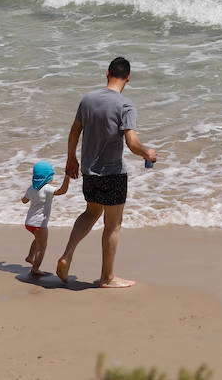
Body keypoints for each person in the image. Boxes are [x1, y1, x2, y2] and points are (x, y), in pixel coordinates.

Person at [55, 57, 157, 289]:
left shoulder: (88, 99)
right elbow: (132, 143)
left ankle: (67, 255)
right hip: (113, 174)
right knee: (113, 225)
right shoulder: (125, 105)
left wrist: (71, 159)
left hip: (89, 171)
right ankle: (107, 278)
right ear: (128, 78)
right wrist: (147, 153)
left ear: (107, 73)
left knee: (90, 213)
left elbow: (74, 132)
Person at [21, 159, 70, 277]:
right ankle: (35, 269)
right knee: (42, 247)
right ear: (47, 177)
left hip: (29, 223)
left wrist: (28, 198)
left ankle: (30, 256)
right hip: (39, 224)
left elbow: (24, 200)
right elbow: (62, 191)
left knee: (38, 240)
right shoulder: (47, 189)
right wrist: (67, 177)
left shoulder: (31, 188)